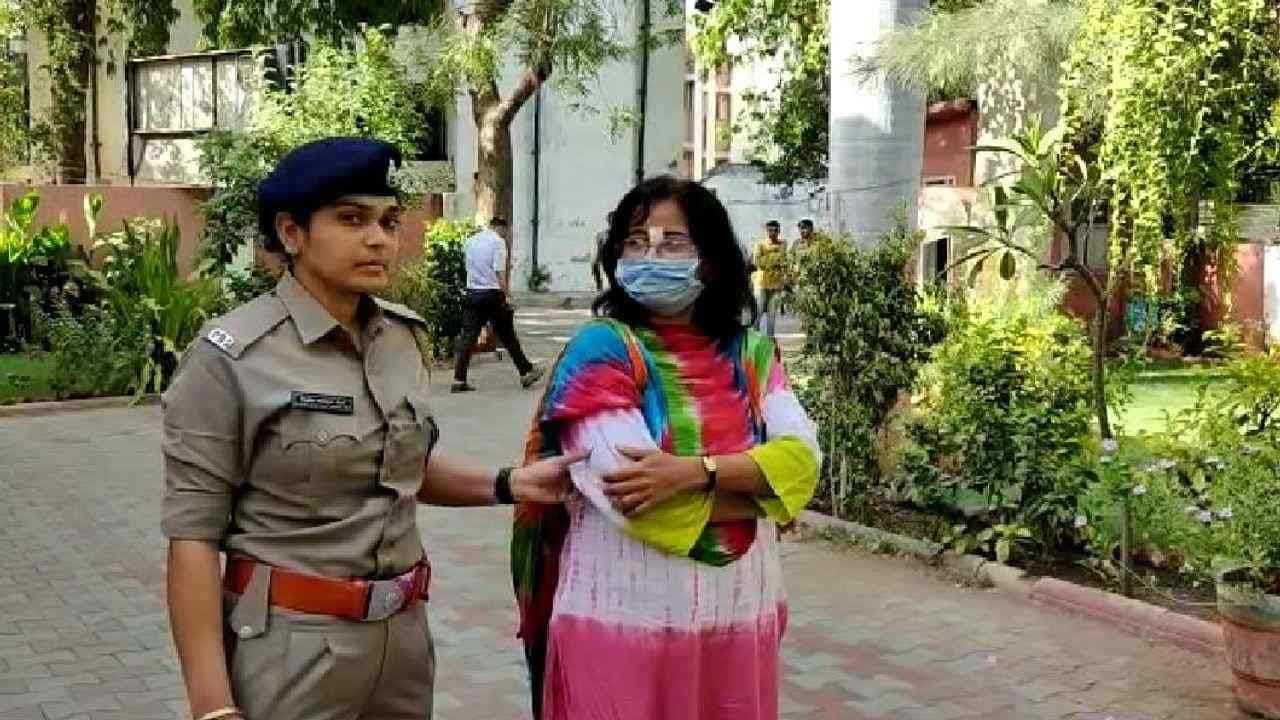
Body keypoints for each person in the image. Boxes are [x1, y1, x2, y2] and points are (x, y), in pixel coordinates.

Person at [162, 137, 582, 720]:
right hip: (291, 646)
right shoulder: (231, 358)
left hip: (401, 642)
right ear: (291, 233)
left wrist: (510, 483)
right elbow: (193, 538)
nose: (379, 238)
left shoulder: (400, 339)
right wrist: (212, 708)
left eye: (388, 221)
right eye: (352, 219)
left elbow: (401, 468)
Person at [512, 176, 821, 720]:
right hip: (622, 622)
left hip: (739, 618)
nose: (650, 256)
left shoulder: (752, 353)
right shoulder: (601, 349)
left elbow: (806, 462)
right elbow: (631, 496)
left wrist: (694, 472)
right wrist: (769, 493)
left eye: (672, 242)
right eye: (635, 242)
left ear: (711, 260)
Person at [452, 217, 545, 393]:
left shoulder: (471, 241)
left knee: (468, 337)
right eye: (507, 231)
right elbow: (500, 272)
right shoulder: (498, 242)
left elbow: (468, 267)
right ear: (502, 228)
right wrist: (507, 296)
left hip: (473, 292)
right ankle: (526, 372)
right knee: (508, 335)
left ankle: (459, 379)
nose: (507, 234)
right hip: (492, 294)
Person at [752, 219, 788, 338]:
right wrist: (775, 259)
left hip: (776, 284)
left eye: (775, 230)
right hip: (762, 283)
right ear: (766, 231)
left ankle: (770, 340)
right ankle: (753, 338)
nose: (773, 233)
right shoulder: (760, 245)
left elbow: (783, 259)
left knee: (772, 315)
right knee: (758, 311)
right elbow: (757, 262)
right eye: (770, 230)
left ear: (779, 231)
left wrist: (767, 259)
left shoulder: (783, 244)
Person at [590, 212, 613, 292]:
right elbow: (598, 249)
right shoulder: (601, 235)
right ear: (608, 221)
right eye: (610, 220)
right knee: (594, 264)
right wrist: (596, 259)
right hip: (605, 256)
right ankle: (599, 285)